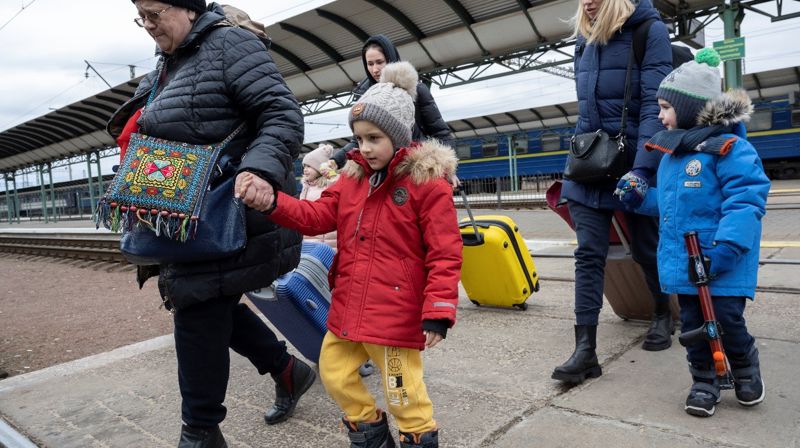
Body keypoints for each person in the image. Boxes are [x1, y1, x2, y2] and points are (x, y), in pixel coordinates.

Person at [108, 2, 314, 446]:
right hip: (180, 213)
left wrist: (259, 169)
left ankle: (199, 433)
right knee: (206, 303)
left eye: (153, 12)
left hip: (225, 208)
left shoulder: (229, 44)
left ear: (186, 5)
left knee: (198, 310)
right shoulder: (169, 61)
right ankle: (287, 370)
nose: (147, 25)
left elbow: (281, 114)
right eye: (139, 15)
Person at [238, 61, 461, 448]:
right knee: (334, 371)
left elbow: (445, 252)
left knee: (403, 392)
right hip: (349, 305)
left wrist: (438, 309)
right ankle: (370, 433)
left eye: (374, 138)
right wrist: (273, 201)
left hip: (395, 312)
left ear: (398, 135)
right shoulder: (351, 182)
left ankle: (417, 437)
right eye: (358, 139)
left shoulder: (427, 186)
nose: (364, 148)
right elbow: (312, 217)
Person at [616, 48, 769, 417]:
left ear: (689, 109)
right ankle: (704, 380)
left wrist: (728, 248)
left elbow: (746, 201)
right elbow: (668, 206)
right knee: (694, 328)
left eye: (666, 107)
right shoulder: (671, 158)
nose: (659, 114)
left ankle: (746, 367)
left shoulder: (731, 151)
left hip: (722, 262)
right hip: (686, 266)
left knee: (728, 320)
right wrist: (639, 198)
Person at [552, 0, 675, 384]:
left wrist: (642, 170)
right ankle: (585, 350)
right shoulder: (583, 41)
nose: (588, 2)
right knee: (588, 254)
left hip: (633, 160)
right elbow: (586, 110)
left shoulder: (648, 31)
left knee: (644, 247)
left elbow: (653, 107)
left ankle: (662, 312)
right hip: (591, 162)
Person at [330, 35, 453, 169]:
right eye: (370, 64)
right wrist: (335, 161)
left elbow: (441, 134)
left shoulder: (416, 89)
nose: (375, 69)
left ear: (390, 60)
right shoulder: (365, 96)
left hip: (414, 166)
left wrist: (447, 169)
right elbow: (357, 140)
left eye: (379, 62)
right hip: (380, 171)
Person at [299, 143, 339, 248]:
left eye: (309, 166)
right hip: (307, 240)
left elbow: (336, 185)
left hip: (327, 243)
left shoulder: (329, 184)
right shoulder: (306, 187)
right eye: (304, 166)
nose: (305, 169)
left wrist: (331, 175)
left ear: (320, 168)